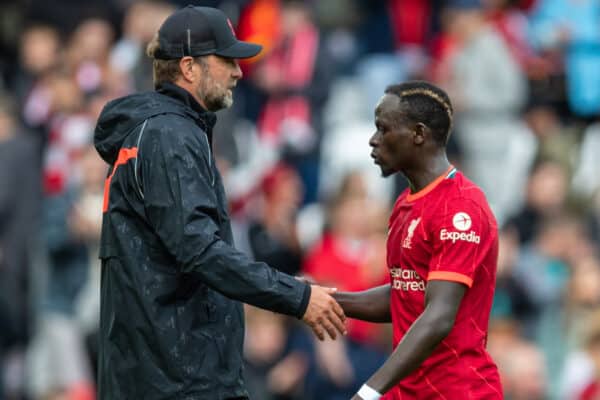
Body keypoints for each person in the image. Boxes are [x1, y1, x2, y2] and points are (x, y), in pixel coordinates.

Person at [92, 6, 346, 400]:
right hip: (177, 378)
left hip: (155, 372)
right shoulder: (171, 134)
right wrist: (297, 297)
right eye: (226, 59)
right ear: (190, 67)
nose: (239, 71)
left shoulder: (153, 131)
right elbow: (199, 250)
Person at [332, 81, 503, 399]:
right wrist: (323, 299)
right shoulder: (405, 205)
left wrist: (369, 392)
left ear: (419, 134)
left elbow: (438, 315)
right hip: (409, 392)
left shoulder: (460, 208)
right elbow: (404, 294)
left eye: (383, 129)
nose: (373, 140)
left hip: (459, 391)